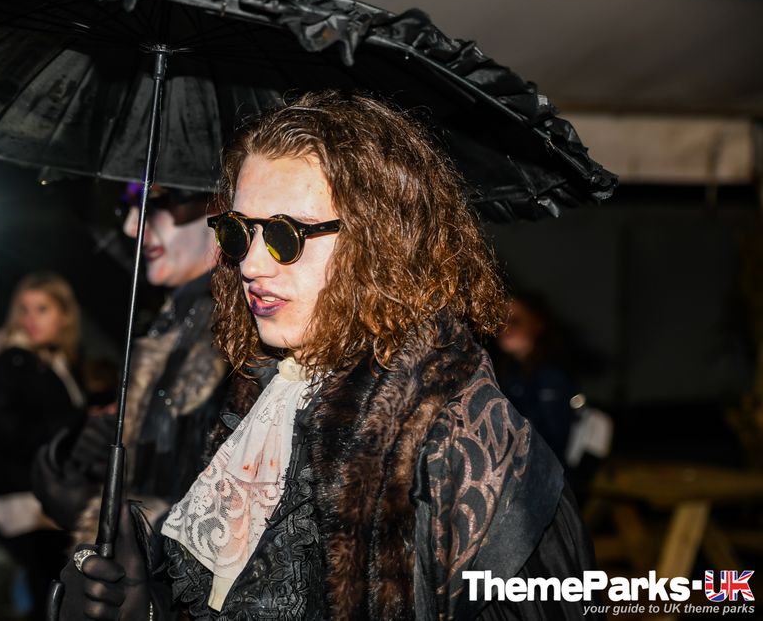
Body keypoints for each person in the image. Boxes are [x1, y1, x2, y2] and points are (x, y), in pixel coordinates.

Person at [58, 91, 599, 620]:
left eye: (285, 234)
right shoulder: (257, 397)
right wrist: (147, 605)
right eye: (238, 232)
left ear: (381, 241)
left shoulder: (463, 440)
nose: (251, 265)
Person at [31, 183, 228, 539]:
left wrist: (98, 515)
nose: (131, 227)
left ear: (220, 203)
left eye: (155, 203)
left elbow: (220, 519)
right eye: (128, 207)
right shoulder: (176, 321)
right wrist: (111, 453)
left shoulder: (239, 335)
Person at [0, 271, 88, 621]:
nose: (30, 319)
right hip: (26, 504)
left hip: (41, 499)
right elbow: (11, 433)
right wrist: (79, 421)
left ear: (65, 315)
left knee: (50, 594)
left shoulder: (52, 360)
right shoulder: (14, 361)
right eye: (24, 309)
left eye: (42, 309)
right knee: (53, 599)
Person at [493, 294, 580, 463]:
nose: (505, 327)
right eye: (499, 320)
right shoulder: (509, 371)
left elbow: (552, 442)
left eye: (515, 321)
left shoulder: (551, 376)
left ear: (538, 324)